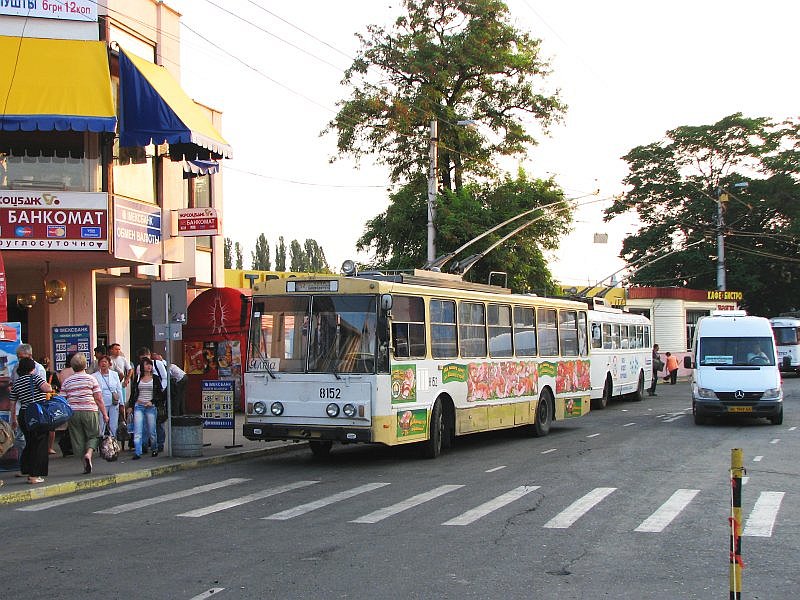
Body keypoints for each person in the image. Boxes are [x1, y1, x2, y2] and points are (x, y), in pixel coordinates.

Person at [62, 353, 109, 474]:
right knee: (93, 435)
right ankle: (89, 454)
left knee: (78, 438)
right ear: (85, 365)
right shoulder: (91, 379)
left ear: (72, 366)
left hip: (73, 412)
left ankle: (85, 464)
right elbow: (98, 398)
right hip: (89, 410)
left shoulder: (67, 381)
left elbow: (62, 399)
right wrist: (104, 413)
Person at [9, 357, 53, 484]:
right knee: (39, 444)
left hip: (24, 414)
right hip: (37, 414)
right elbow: (47, 389)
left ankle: (26, 469)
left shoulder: (17, 383)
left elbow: (12, 403)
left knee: (30, 442)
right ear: (32, 368)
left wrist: (14, 419)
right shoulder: (35, 378)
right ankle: (34, 474)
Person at [127, 357, 164, 459]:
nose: (149, 366)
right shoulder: (138, 377)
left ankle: (154, 448)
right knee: (138, 430)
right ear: (142, 366)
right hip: (139, 405)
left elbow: (160, 394)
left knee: (152, 430)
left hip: (150, 407)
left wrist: (152, 402)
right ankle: (137, 452)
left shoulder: (155, 378)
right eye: (146, 364)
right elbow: (133, 393)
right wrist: (130, 406)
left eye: (150, 364)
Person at [92, 355, 123, 439]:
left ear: (109, 364)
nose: (103, 363)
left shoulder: (114, 374)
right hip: (101, 402)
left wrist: (121, 403)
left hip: (114, 402)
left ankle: (113, 442)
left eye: (105, 362)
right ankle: (102, 442)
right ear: (99, 364)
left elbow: (119, 389)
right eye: (101, 362)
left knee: (113, 424)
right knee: (101, 424)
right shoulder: (94, 376)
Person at [40, 355, 61, 455]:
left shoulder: (36, 375)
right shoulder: (52, 374)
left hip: (40, 402)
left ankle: (41, 447)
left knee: (41, 426)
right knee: (51, 426)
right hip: (51, 401)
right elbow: (59, 388)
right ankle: (49, 447)